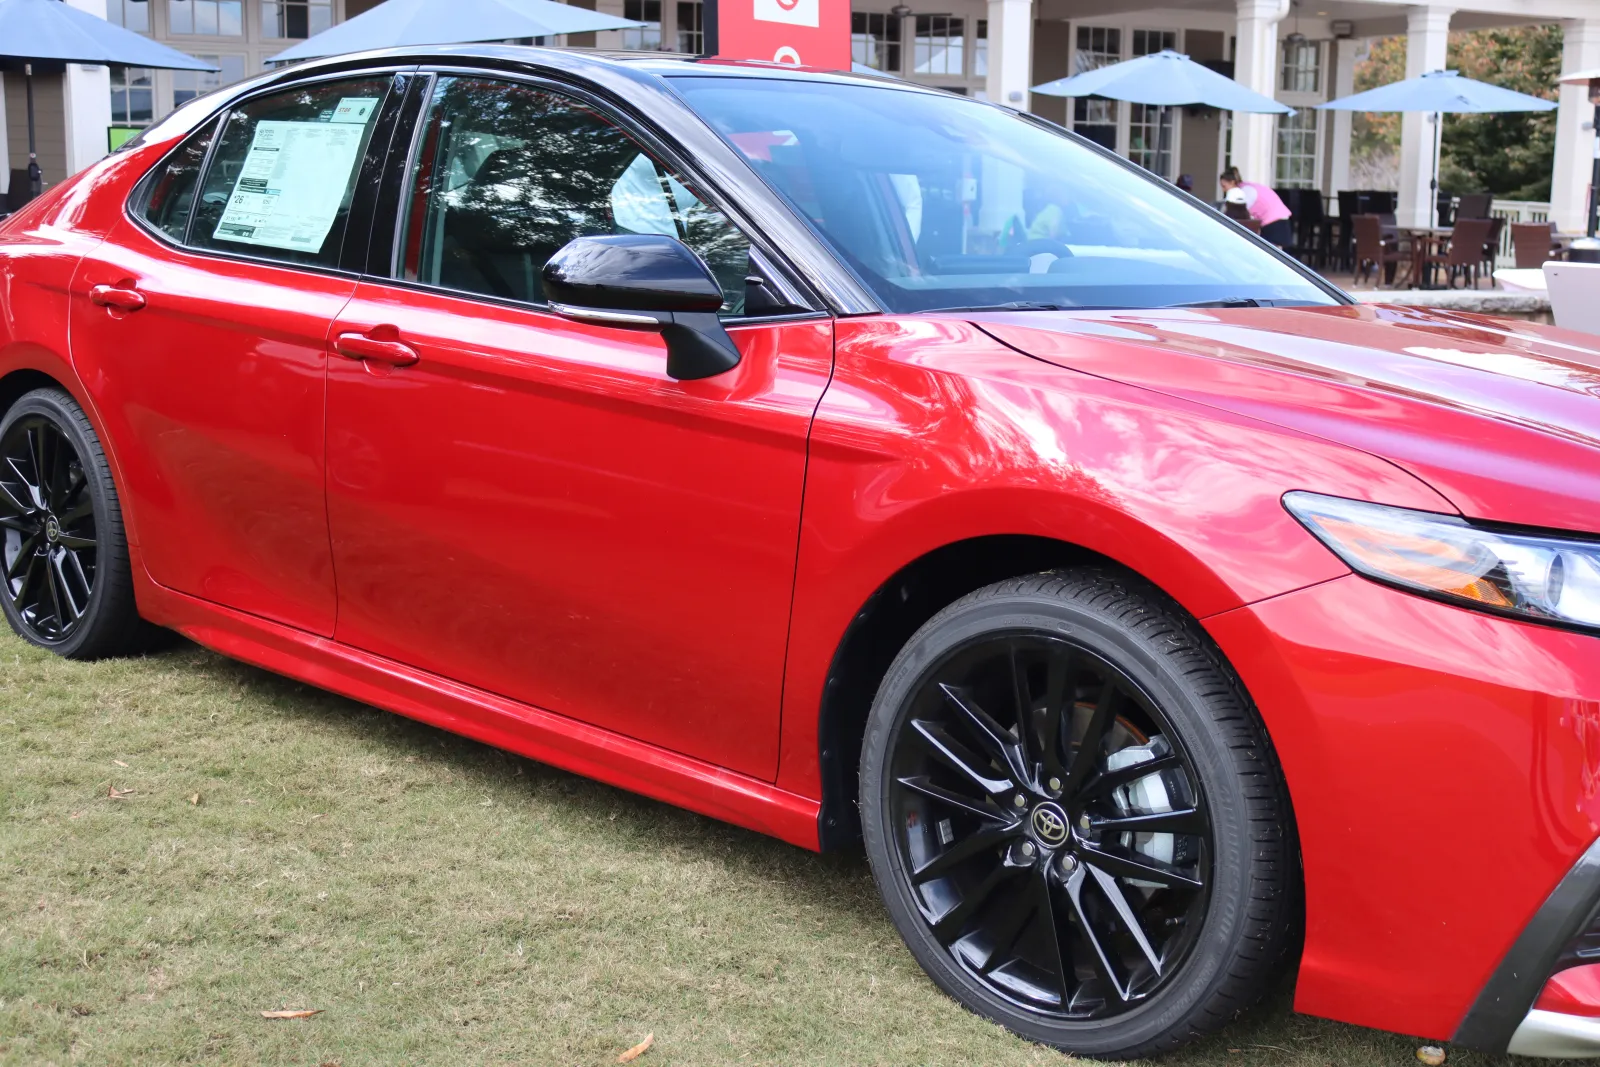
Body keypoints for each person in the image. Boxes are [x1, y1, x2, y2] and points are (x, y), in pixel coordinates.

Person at [1218, 166, 1293, 249]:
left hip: (1274, 222)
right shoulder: (1247, 187)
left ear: (1232, 182)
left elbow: (1241, 215)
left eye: (1224, 186)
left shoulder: (1244, 193)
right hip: (1277, 218)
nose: (1223, 190)